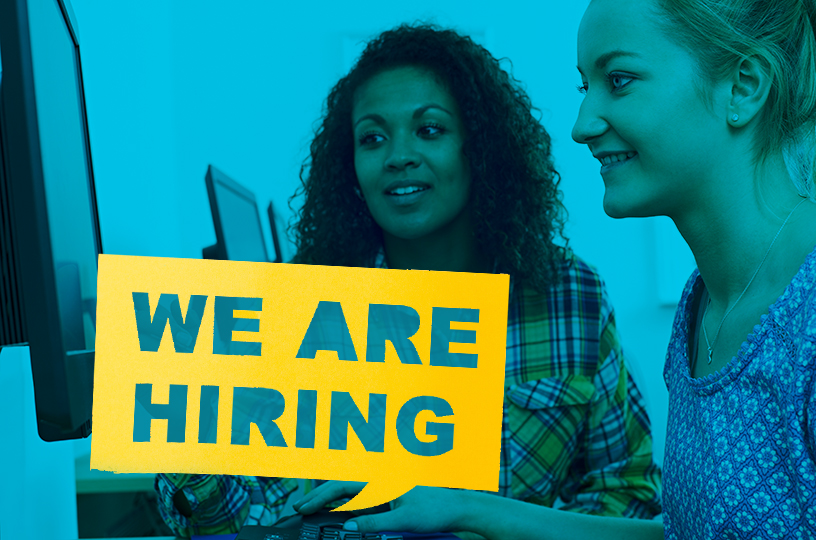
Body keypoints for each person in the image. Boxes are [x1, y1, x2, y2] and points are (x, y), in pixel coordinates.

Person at [304, 0, 816, 539]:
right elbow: (690, 535)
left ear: (744, 87)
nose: (584, 123)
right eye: (587, 86)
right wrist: (468, 508)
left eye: (618, 81)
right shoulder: (706, 305)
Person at [153, 23, 661, 538]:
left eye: (430, 129)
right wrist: (193, 427)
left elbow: (629, 490)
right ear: (350, 167)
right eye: (373, 138)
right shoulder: (308, 312)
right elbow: (250, 521)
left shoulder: (572, 298)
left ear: (478, 148)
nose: (399, 156)